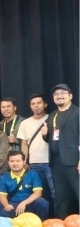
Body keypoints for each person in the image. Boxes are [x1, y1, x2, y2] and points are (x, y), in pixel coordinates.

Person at [40, 83, 79, 219]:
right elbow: (52, 139)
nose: (59, 96)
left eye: (63, 93)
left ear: (71, 96)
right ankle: (62, 225)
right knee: (61, 197)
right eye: (56, 94)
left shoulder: (77, 113)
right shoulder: (52, 116)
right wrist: (45, 135)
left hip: (74, 162)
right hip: (56, 162)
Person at [0, 151, 50, 220]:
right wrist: (6, 205)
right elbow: (2, 195)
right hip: (14, 205)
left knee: (42, 203)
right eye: (12, 161)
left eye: (18, 161)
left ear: (24, 162)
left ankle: (41, 223)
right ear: (8, 163)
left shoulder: (33, 174)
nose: (15, 163)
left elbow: (38, 193)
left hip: (30, 203)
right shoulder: (4, 177)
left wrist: (24, 203)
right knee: (4, 212)